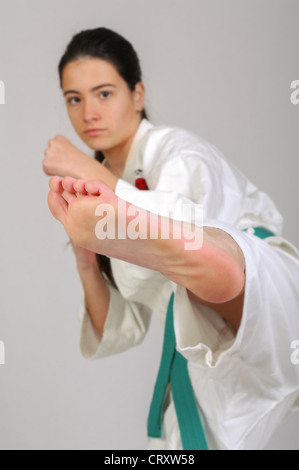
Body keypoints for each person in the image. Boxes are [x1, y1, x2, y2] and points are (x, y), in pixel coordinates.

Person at [43, 27, 299, 450]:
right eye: (74, 98)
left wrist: (88, 171)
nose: (88, 112)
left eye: (104, 93)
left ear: (137, 95)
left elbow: (193, 216)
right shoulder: (105, 192)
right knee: (178, 451)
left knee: (211, 244)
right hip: (208, 348)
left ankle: (210, 271)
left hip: (270, 290)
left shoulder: (175, 148)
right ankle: (200, 274)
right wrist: (86, 260)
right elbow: (120, 330)